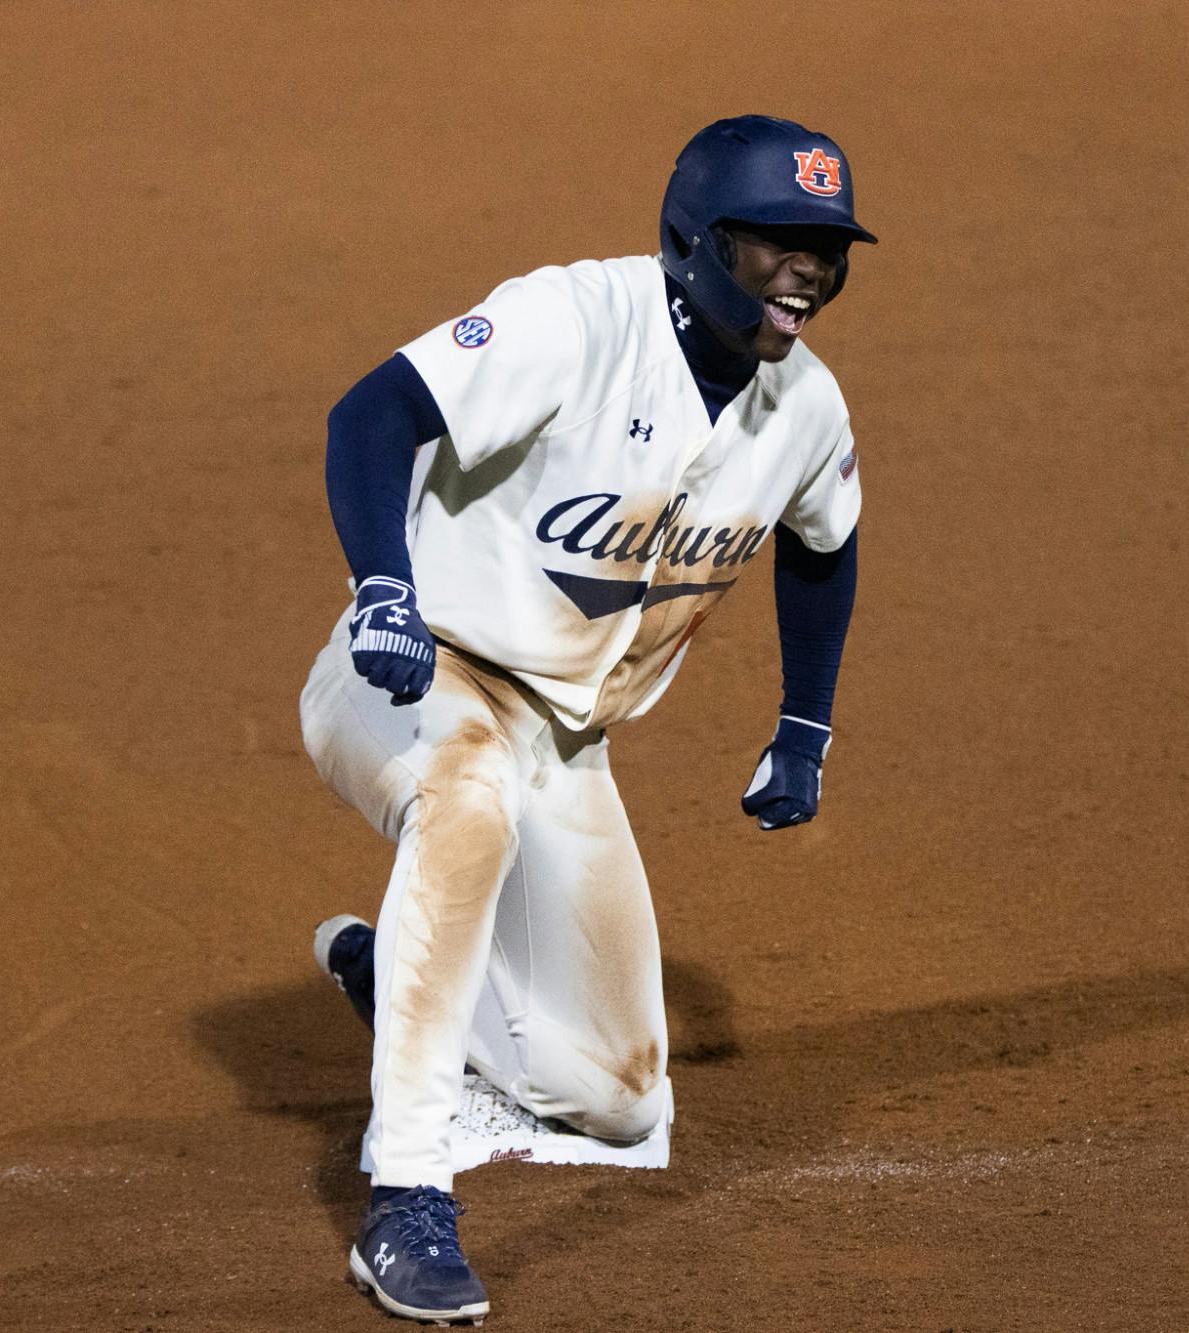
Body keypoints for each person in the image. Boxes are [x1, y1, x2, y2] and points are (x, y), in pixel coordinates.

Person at [297, 114, 873, 1324]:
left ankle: (389, 972)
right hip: (412, 674)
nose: (805, 269)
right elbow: (371, 413)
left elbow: (825, 543)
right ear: (692, 241)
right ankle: (405, 1201)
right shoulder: (573, 320)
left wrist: (804, 724)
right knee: (463, 806)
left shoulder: (803, 407)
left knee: (616, 1099)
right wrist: (383, 588)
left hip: (564, 736)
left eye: (824, 245)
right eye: (776, 239)